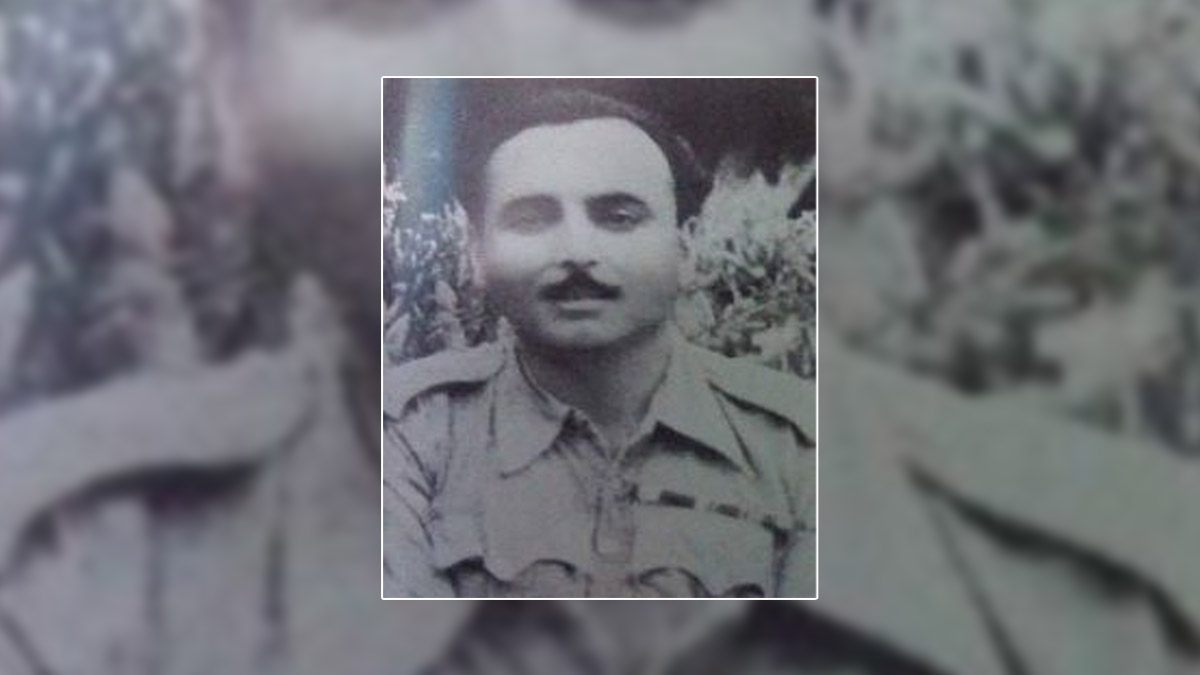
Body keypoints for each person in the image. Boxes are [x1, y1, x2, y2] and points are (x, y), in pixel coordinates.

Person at [381, 88, 817, 598]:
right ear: (477, 253)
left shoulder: (799, 444)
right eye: (532, 219)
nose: (577, 251)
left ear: (685, 246)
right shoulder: (407, 433)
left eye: (618, 218)